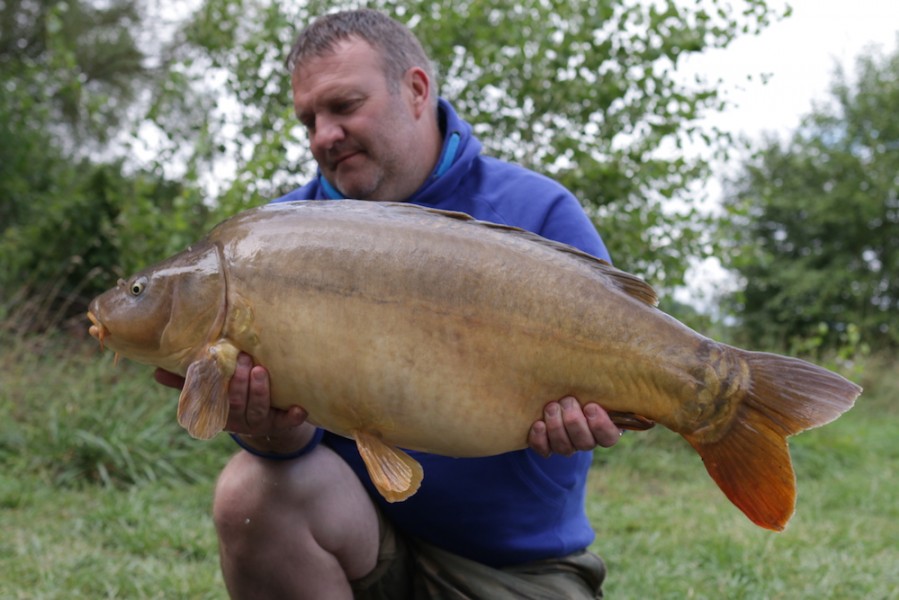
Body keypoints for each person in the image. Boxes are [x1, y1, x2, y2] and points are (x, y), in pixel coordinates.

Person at [156, 9, 624, 599]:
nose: (323, 135)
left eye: (344, 106)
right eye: (310, 119)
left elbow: (614, 380)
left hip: (514, 570)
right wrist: (269, 430)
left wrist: (600, 413)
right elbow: (295, 449)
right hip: (362, 545)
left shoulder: (539, 213)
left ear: (417, 89)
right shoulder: (272, 241)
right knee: (250, 491)